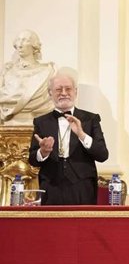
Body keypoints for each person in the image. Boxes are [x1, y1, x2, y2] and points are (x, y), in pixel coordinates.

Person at [28, 67, 109, 205]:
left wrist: (82, 135)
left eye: (68, 89)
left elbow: (102, 155)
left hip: (83, 187)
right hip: (50, 188)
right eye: (58, 89)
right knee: (51, 226)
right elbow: (33, 160)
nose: (64, 93)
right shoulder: (41, 122)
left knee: (82, 227)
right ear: (50, 93)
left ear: (75, 92)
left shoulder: (91, 119)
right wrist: (43, 152)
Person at [0, 30, 55, 125]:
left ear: (34, 46)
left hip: (39, 123)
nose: (20, 44)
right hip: (9, 126)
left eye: (25, 40)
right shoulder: (7, 71)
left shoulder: (47, 71)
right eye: (18, 40)